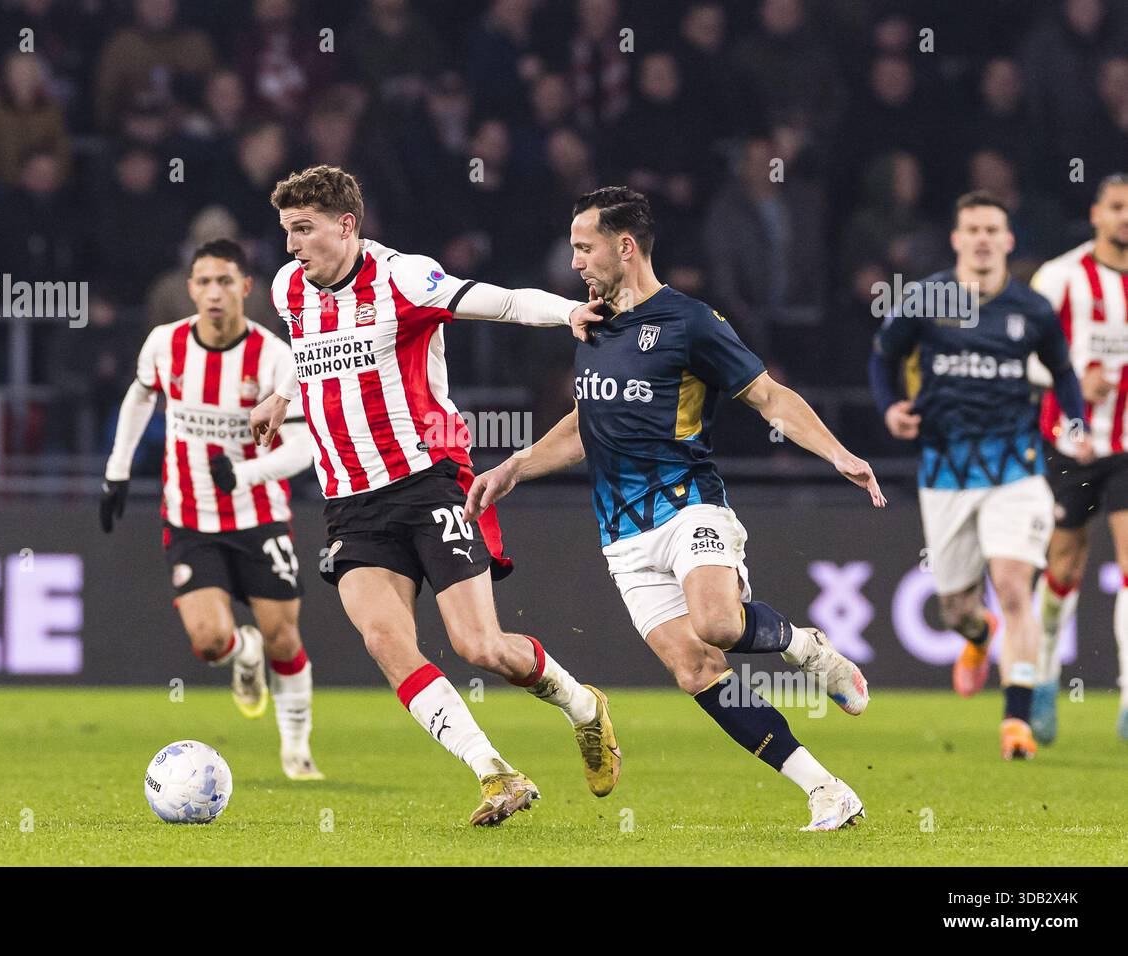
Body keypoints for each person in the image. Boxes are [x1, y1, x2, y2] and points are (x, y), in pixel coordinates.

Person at [467, 187, 877, 832]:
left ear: (624, 247)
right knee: (696, 670)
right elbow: (588, 423)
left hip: (690, 507)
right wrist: (517, 463)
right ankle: (827, 790)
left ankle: (805, 648)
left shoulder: (692, 322)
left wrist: (838, 453)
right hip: (622, 535)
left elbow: (769, 398)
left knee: (716, 624)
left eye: (584, 246)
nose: (574, 261)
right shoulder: (592, 325)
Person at [250, 164, 618, 827]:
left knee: (481, 646)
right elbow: (314, 354)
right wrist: (282, 394)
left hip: (428, 484)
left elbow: (501, 302)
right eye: (285, 232)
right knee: (386, 642)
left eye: (303, 230)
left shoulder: (403, 279)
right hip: (352, 504)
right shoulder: (286, 289)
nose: (291, 246)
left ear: (346, 225)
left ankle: (584, 708)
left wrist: (568, 312)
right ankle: (495, 773)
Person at [870, 191, 1088, 760]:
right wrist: (890, 407)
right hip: (945, 471)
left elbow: (1063, 373)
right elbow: (882, 357)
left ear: (1009, 240)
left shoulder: (1032, 309)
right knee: (955, 611)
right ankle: (978, 635)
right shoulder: (925, 299)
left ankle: (1015, 721)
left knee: (1015, 584)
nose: (985, 238)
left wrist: (1078, 421)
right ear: (958, 238)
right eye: (974, 229)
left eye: (994, 228)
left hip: (1016, 468)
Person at [101, 239, 322, 781]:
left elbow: (304, 446)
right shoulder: (165, 344)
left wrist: (245, 473)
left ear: (246, 287)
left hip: (259, 516)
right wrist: (117, 471)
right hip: (190, 518)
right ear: (190, 288)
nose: (214, 292)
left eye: (226, 281)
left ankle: (296, 749)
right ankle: (241, 652)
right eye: (203, 282)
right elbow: (140, 397)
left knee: (285, 639)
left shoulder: (273, 357)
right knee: (209, 642)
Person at [1029, 173, 1128, 743]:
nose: (1123, 218)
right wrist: (1068, 383)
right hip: (1072, 443)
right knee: (1064, 566)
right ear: (1095, 214)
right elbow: (1024, 352)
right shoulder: (1062, 276)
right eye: (1115, 208)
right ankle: (1043, 677)